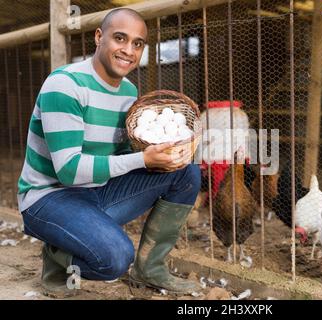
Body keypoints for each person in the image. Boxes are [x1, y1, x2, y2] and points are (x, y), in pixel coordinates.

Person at [17, 8, 201, 298]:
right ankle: (59, 258)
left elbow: (120, 152)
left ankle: (150, 267)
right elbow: (69, 171)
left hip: (96, 192)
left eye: (137, 43)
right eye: (120, 38)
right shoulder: (65, 85)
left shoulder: (128, 92)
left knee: (186, 172)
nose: (129, 50)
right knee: (114, 259)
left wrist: (165, 154)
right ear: (99, 37)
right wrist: (143, 159)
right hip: (50, 198)